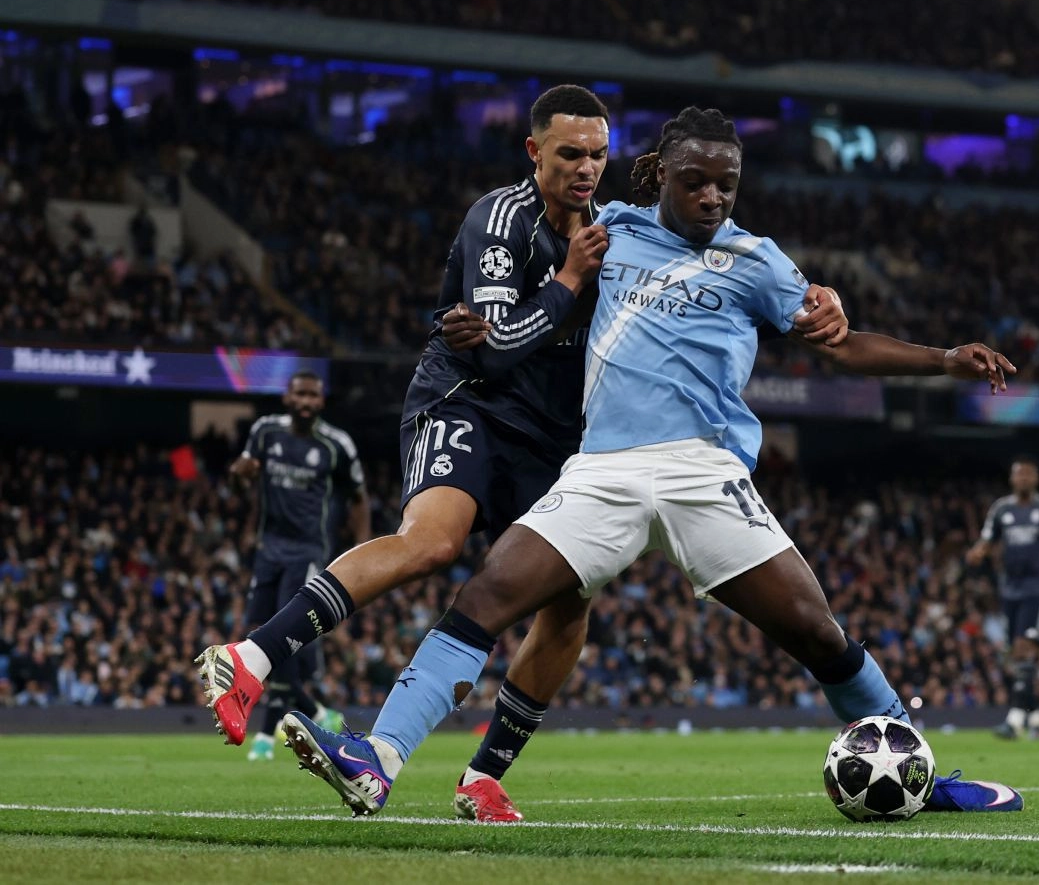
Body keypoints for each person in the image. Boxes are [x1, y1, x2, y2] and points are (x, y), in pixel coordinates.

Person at [279, 106, 1025, 818]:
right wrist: (467, 317)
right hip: (604, 468)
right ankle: (378, 758)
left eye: (726, 185)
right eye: (695, 182)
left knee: (816, 632)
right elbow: (532, 273)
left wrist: (943, 359)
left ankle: (921, 777)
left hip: (705, 472)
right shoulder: (610, 231)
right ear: (660, 174)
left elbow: (843, 344)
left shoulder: (758, 261)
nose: (712, 197)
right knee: (488, 595)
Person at [195, 85, 847, 775]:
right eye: (569, 154)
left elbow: (713, 282)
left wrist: (817, 296)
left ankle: (484, 777)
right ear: (534, 152)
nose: (586, 168)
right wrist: (568, 279)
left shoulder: (617, 230)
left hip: (551, 433)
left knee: (569, 605)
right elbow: (495, 351)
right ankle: (251, 657)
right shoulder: (502, 218)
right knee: (432, 542)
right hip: (469, 402)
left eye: (597, 154)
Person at [224, 371, 370, 759]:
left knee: (281, 639)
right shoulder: (265, 431)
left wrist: (363, 549)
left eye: (313, 395)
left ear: (321, 401)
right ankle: (316, 711)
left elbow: (359, 496)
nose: (306, 402)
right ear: (287, 398)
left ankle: (265, 737)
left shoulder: (336, 444)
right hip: (268, 549)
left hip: (307, 551)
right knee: (259, 635)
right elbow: (241, 479)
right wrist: (237, 478)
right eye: (300, 394)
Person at [965, 457, 1039, 740]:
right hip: (1009, 590)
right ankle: (1038, 720)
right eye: (1019, 473)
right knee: (1016, 656)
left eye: (1028, 473)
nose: (1023, 478)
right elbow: (987, 539)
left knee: (1024, 647)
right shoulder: (1001, 509)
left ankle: (1015, 721)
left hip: (1036, 588)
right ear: (1011, 478)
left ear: (1037, 478)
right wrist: (978, 551)